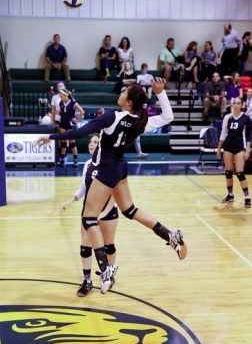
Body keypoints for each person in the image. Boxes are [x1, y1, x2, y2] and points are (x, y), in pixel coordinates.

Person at [35, 78, 187, 294]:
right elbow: (168, 117)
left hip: (106, 171)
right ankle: (170, 235)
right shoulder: (138, 120)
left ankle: (105, 268)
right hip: (121, 169)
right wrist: (160, 93)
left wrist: (50, 136)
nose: (121, 93)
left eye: (124, 92)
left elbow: (80, 132)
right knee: (130, 210)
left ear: (128, 102)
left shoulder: (112, 116)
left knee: (88, 219)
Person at [61, 134, 119, 297]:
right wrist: (72, 200)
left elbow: (116, 193)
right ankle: (87, 281)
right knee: (85, 245)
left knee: (108, 245)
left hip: (108, 210)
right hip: (89, 210)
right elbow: (83, 187)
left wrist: (103, 213)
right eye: (90, 142)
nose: (92, 145)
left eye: (96, 142)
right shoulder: (87, 164)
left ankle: (109, 275)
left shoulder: (110, 164)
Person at [216, 97, 251, 208]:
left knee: (240, 172)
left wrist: (247, 150)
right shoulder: (227, 117)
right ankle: (230, 195)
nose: (235, 105)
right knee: (228, 171)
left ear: (242, 105)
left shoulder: (245, 118)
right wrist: (219, 148)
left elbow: (249, 135)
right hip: (228, 146)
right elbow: (223, 133)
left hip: (240, 146)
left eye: (238, 103)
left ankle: (247, 197)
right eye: (234, 103)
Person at [58, 88, 84, 167]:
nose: (61, 98)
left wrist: (77, 120)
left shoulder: (73, 103)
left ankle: (75, 160)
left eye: (62, 96)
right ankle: (62, 159)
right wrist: (58, 113)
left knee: (72, 143)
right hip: (62, 123)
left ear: (66, 96)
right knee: (63, 142)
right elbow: (60, 112)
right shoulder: (61, 103)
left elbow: (82, 112)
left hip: (70, 125)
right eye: (60, 96)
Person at [51, 81, 65, 159]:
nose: (59, 88)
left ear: (64, 87)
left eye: (61, 86)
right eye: (58, 86)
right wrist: (52, 120)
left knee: (65, 138)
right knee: (58, 137)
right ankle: (59, 153)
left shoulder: (68, 96)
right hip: (57, 119)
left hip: (65, 120)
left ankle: (64, 154)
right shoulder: (55, 97)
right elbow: (53, 110)